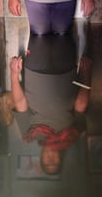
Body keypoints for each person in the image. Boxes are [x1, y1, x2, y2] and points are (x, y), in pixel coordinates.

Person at [9, 33, 92, 175]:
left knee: (39, 31)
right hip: (65, 72)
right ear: (61, 158)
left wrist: (13, 75)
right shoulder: (74, 134)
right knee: (62, 31)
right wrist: (87, 75)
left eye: (47, 162)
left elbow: (20, 103)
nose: (51, 158)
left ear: (41, 157)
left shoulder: (29, 135)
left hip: (35, 72)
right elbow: (81, 105)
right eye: (55, 162)